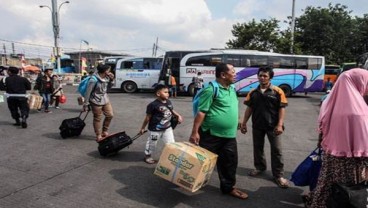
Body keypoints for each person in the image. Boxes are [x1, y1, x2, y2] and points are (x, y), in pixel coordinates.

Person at [305, 68, 368, 207]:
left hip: (330, 156)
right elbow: (364, 143)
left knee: (326, 186)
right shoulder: (359, 112)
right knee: (346, 192)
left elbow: (322, 131)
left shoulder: (329, 103)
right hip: (350, 162)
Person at [189, 63, 248, 200]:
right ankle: (186, 179)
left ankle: (228, 188)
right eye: (233, 72)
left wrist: (237, 119)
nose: (235, 74)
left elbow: (232, 106)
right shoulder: (210, 90)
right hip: (210, 134)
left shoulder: (232, 88)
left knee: (230, 162)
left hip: (229, 135)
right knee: (202, 161)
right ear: (223, 75)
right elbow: (201, 112)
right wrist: (194, 132)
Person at [240, 66, 289, 189]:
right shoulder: (253, 92)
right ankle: (260, 168)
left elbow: (281, 109)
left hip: (273, 127)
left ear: (270, 77)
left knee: (277, 150)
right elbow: (249, 108)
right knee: (258, 148)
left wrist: (279, 124)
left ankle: (278, 175)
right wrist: (244, 122)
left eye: (265, 76)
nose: (262, 78)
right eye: (260, 75)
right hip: (257, 126)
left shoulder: (277, 91)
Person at [139, 84, 183, 164]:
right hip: (155, 129)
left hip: (167, 128)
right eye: (165, 92)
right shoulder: (152, 105)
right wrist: (142, 128)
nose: (168, 94)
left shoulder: (169, 102)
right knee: (152, 144)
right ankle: (148, 156)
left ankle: (171, 159)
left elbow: (171, 110)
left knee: (171, 144)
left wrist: (178, 115)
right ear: (158, 94)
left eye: (168, 92)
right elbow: (147, 117)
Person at [82, 64, 115, 142]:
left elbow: (109, 88)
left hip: (105, 99)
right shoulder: (93, 79)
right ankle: (98, 135)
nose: (110, 72)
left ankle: (104, 131)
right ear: (105, 71)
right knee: (97, 118)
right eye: (108, 70)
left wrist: (112, 79)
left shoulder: (107, 78)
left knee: (110, 115)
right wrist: (86, 104)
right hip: (95, 100)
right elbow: (88, 92)